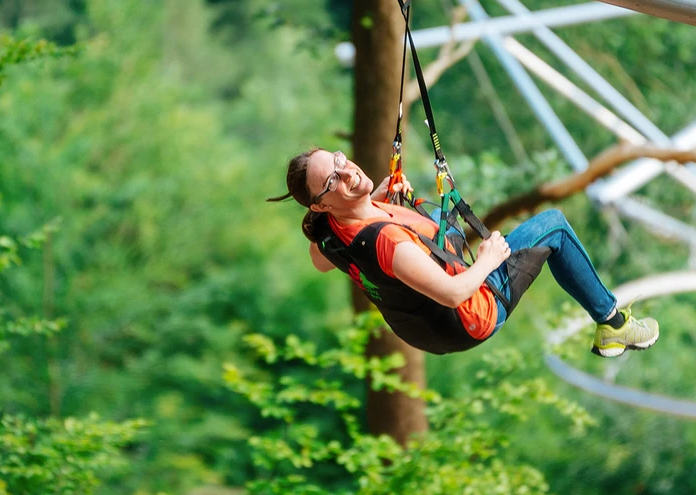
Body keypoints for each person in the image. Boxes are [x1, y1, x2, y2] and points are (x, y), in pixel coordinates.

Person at [268, 148, 659, 357]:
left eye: (339, 160)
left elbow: (318, 260)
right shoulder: (388, 243)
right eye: (332, 180)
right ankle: (612, 323)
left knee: (436, 216)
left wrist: (373, 197)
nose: (348, 172)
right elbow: (452, 294)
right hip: (470, 315)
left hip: (427, 330)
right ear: (320, 204)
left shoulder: (332, 235)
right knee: (553, 225)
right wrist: (489, 258)